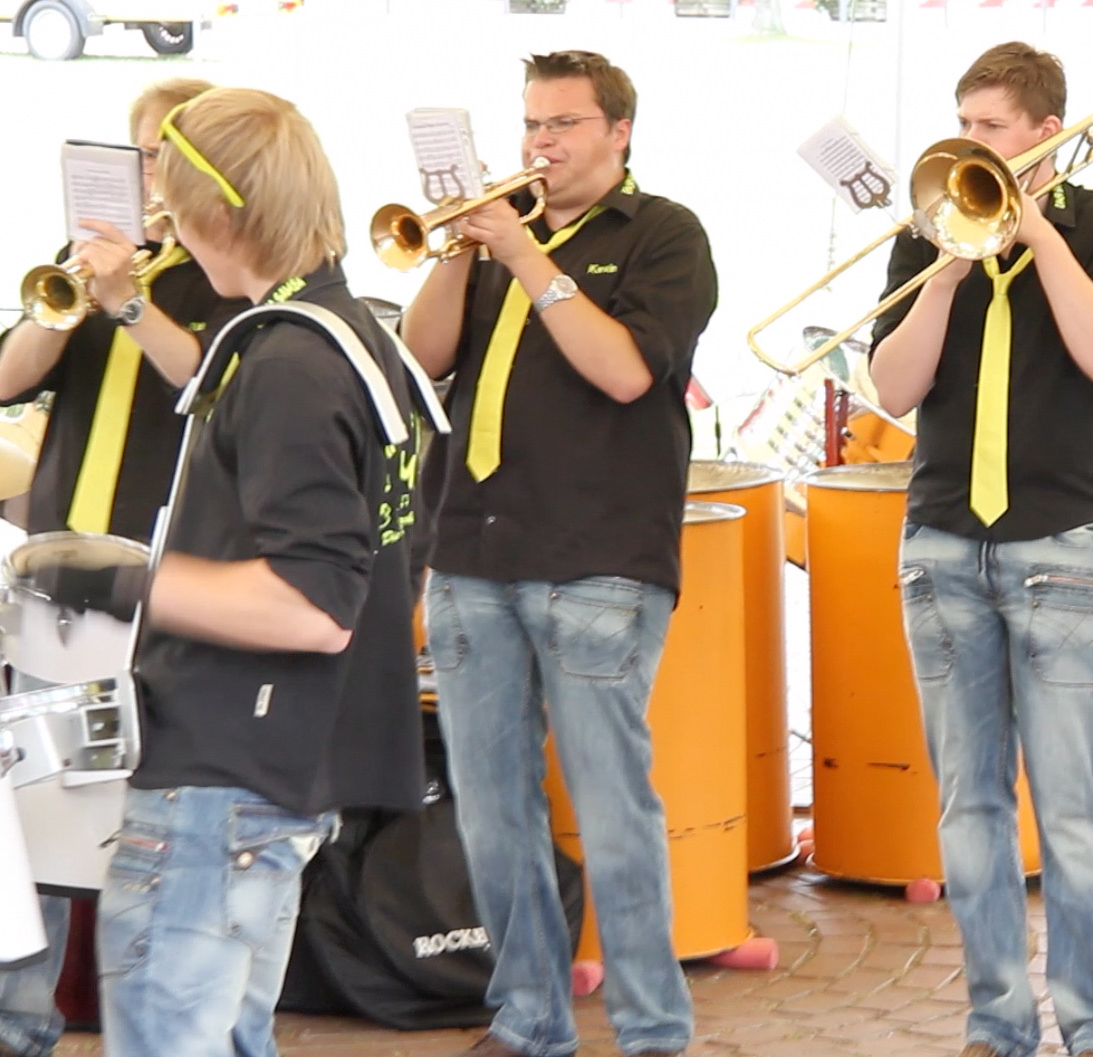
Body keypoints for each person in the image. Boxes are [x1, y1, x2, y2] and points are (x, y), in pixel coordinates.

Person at [55, 85, 430, 1056]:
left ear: (220, 218)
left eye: (177, 210)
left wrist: (107, 579)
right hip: (275, 766)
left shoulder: (289, 363)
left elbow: (313, 606)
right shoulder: (352, 335)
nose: (173, 230)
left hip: (221, 774)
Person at [400, 49, 717, 1057]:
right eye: (532, 122)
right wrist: (460, 252)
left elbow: (623, 372)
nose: (541, 142)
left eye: (564, 123)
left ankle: (652, 1030)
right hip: (471, 550)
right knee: (492, 813)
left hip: (597, 559)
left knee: (613, 812)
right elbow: (422, 358)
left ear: (619, 131)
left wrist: (529, 259)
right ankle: (528, 1019)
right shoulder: (501, 238)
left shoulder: (663, 233)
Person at [868, 41, 1093, 1057]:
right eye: (962, 122)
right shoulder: (925, 234)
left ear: (1047, 134)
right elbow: (891, 390)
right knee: (968, 808)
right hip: (945, 544)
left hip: (1064, 544)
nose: (968, 142)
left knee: (1075, 808)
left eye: (988, 127)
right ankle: (996, 1022)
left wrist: (1036, 234)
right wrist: (944, 276)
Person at [0, 76, 245, 1057]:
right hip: (58, 570)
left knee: (146, 799)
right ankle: (22, 1021)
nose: (149, 173)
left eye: (164, 156)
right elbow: (8, 377)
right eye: (139, 154)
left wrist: (130, 300)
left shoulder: (230, 268)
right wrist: (72, 294)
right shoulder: (93, 257)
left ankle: (154, 1018)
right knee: (39, 792)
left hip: (167, 573)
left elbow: (208, 382)